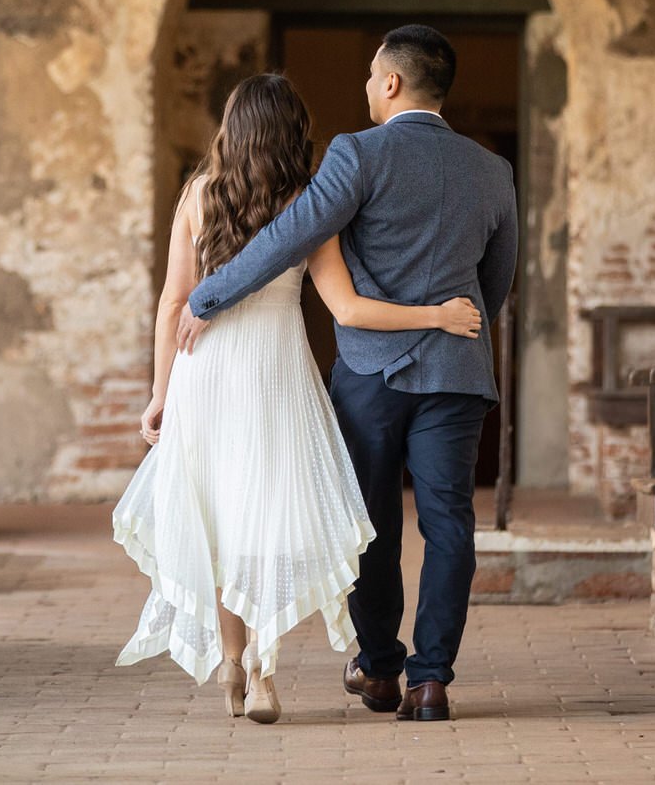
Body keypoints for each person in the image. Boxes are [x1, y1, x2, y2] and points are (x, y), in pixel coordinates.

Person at [113, 72, 483, 725]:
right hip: (276, 376)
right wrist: (436, 314)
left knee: (219, 517)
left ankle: (231, 659)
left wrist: (159, 391)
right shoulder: (310, 204)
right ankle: (263, 670)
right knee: (267, 520)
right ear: (294, 134)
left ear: (232, 128)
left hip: (204, 373)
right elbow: (348, 307)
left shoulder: (199, 194)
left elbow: (174, 299)